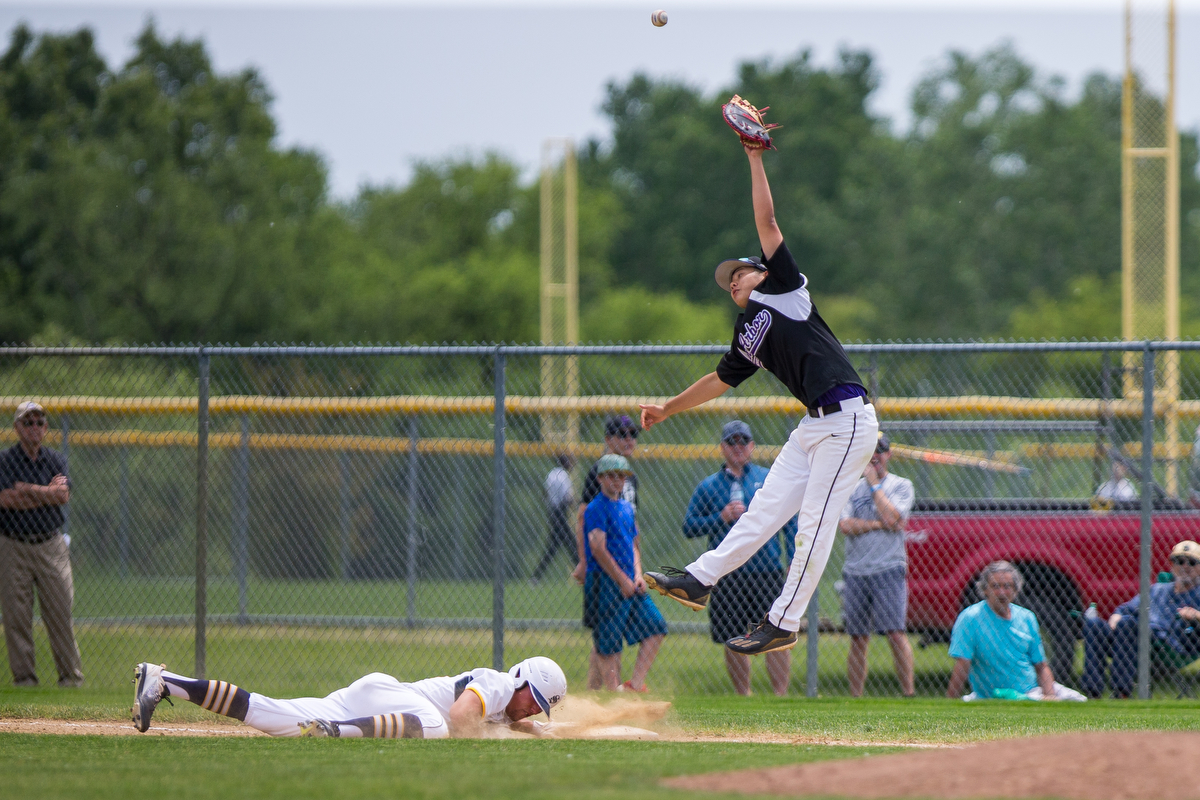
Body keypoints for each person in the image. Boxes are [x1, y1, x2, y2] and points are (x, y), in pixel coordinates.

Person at [640, 142, 878, 656]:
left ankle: (783, 620)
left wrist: (753, 156)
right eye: (727, 281)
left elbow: (768, 223)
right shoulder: (749, 329)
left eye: (739, 272)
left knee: (812, 526)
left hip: (849, 422)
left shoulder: (785, 291)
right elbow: (719, 379)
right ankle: (700, 581)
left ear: (763, 273)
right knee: (760, 513)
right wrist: (668, 407)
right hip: (814, 427)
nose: (732, 281)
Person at [131, 655, 567, 739]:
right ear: (522, 681)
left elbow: (508, 721)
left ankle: (165, 682)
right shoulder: (498, 684)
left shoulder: (508, 707)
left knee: (271, 715)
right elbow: (459, 717)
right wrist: (513, 733)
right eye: (536, 700)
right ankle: (335, 732)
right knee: (437, 728)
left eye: (539, 708)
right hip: (389, 699)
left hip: (371, 702)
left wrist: (537, 729)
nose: (532, 708)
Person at [683, 420, 794, 696]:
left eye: (743, 441)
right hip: (728, 574)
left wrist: (793, 556)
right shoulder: (709, 486)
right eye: (732, 442)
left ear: (752, 446)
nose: (738, 447)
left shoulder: (767, 479)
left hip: (765, 569)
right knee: (733, 632)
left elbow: (790, 520)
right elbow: (689, 526)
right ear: (722, 447)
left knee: (774, 631)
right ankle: (743, 694)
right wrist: (719, 518)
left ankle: (780, 694)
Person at [0, 401, 84, 688]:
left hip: (51, 545)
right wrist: (46, 492)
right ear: (17, 427)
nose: (34, 426)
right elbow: (6, 500)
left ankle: (70, 679)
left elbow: (62, 496)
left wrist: (27, 489)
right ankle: (24, 680)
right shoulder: (5, 460)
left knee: (60, 612)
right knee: (17, 616)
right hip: (13, 545)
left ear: (45, 428)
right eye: (28, 422)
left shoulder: (55, 459)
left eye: (39, 422)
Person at [839, 432, 916, 697]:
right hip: (856, 571)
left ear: (888, 454)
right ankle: (856, 696)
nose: (875, 457)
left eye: (880, 451)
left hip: (889, 569)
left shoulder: (901, 485)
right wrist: (877, 524)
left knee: (896, 633)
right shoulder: (849, 487)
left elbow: (895, 520)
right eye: (870, 452)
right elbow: (845, 525)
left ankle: (908, 694)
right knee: (858, 637)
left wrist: (874, 486)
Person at [583, 454, 667, 692]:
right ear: (600, 478)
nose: (617, 480)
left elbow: (633, 544)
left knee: (656, 627)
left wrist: (638, 575)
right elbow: (598, 548)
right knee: (609, 642)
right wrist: (622, 579)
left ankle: (634, 685)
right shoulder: (596, 508)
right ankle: (614, 694)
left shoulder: (626, 508)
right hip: (604, 581)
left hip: (630, 580)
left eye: (621, 476)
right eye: (611, 475)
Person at [946, 561, 1086, 702]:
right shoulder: (970, 618)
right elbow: (962, 664)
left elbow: (1041, 666)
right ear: (985, 589)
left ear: (1015, 589)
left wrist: (1049, 697)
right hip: (992, 696)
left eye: (1007, 586)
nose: (1001, 592)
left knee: (1079, 701)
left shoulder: (1027, 617)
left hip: (1031, 692)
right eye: (995, 586)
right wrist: (950, 703)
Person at [1081, 540, 1200, 699]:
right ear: (1172, 565)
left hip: (1167, 645)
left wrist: (1196, 615)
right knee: (1094, 625)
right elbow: (1126, 609)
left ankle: (1121, 692)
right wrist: (1116, 617)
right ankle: (1092, 692)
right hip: (1131, 639)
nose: (1185, 566)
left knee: (1128, 623)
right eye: (1179, 561)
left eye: (1192, 562)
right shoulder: (1158, 590)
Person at [573, 414, 641, 689]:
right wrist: (583, 560)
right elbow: (582, 516)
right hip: (604, 565)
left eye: (633, 434)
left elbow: (633, 524)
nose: (629, 440)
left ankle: (599, 693)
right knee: (606, 632)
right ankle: (603, 692)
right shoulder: (598, 474)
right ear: (608, 439)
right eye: (622, 434)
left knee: (611, 633)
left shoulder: (630, 477)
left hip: (624, 564)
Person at [531, 453, 576, 582]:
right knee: (570, 543)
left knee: (555, 546)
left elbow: (545, 493)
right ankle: (584, 570)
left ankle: (536, 576)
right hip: (561, 512)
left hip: (552, 512)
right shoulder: (564, 475)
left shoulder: (551, 474)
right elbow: (567, 497)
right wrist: (578, 502)